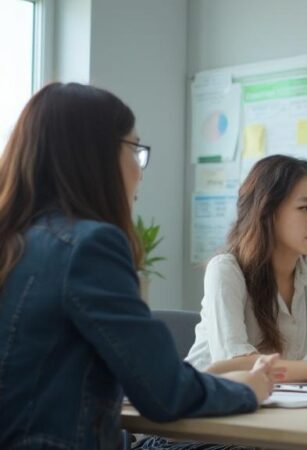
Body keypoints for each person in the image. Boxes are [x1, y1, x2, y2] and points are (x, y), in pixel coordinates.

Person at [0, 82, 284, 450]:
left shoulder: (15, 242)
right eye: (135, 149)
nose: (140, 169)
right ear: (95, 155)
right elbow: (164, 391)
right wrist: (248, 387)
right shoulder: (90, 246)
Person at [184, 155, 307, 381]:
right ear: (267, 211)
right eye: (304, 208)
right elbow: (235, 365)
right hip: (208, 403)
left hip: (274, 401)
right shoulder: (226, 270)